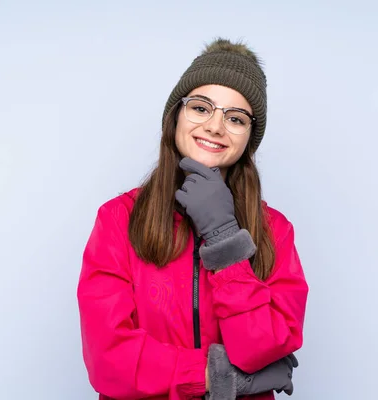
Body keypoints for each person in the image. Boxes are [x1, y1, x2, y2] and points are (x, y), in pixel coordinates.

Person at [77, 38, 309, 400]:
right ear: (175, 117)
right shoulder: (117, 219)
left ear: (248, 137)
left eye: (235, 118)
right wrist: (223, 378)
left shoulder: (274, 230)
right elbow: (109, 362)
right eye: (201, 108)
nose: (216, 126)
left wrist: (223, 237)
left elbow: (262, 346)